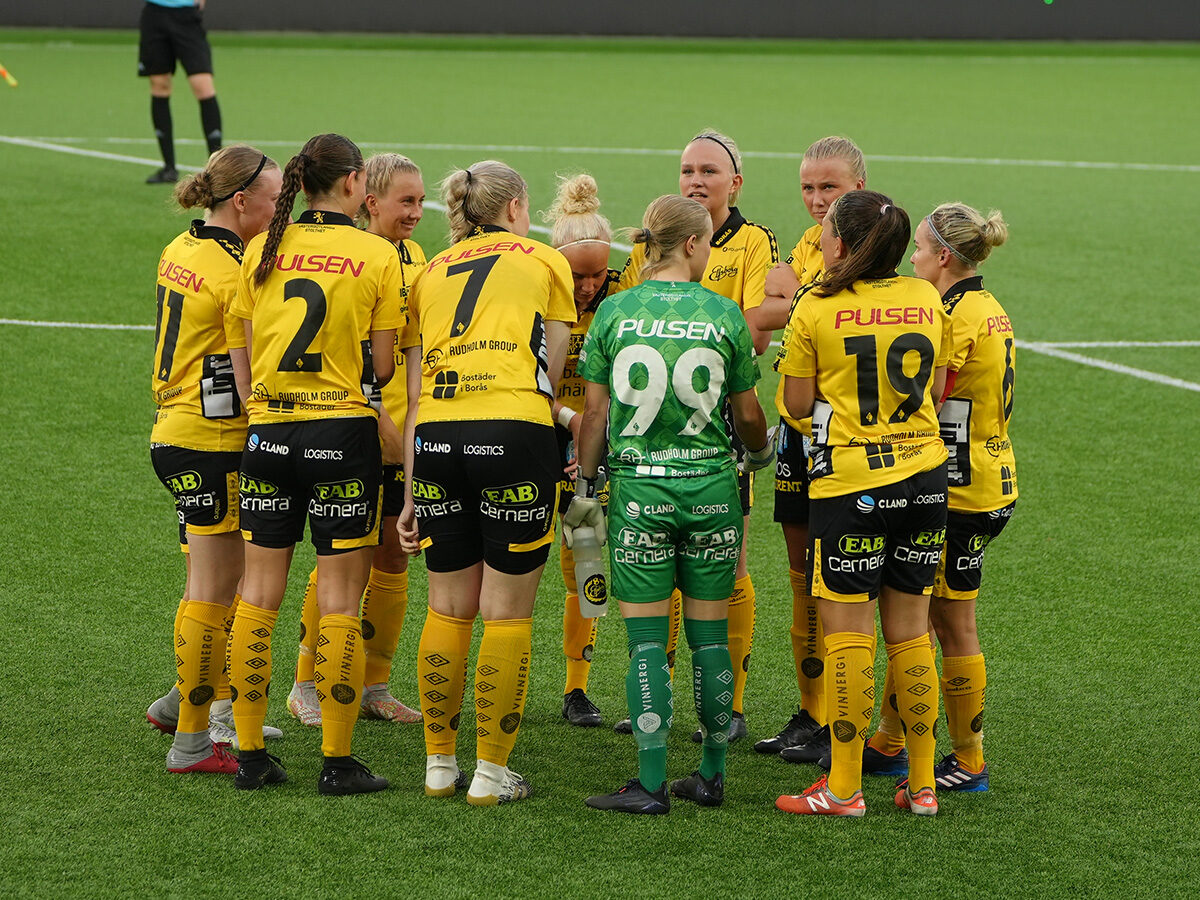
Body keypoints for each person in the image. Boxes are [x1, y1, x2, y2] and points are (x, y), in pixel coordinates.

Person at [571, 195, 772, 814]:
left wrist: (585, 485)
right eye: (707, 242)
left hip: (642, 494)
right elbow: (747, 413)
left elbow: (595, 416)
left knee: (646, 643)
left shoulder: (615, 311)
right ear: (690, 244)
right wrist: (758, 453)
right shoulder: (723, 313)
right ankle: (711, 775)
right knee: (710, 640)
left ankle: (652, 784)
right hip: (712, 491)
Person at [227, 133, 404, 795]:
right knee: (339, 602)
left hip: (269, 435)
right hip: (341, 436)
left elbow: (245, 347)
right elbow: (382, 366)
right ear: (355, 183)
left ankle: (249, 755)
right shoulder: (376, 253)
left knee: (257, 597)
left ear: (301, 183)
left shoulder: (261, 248)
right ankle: (336, 760)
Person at [398, 160, 574, 805]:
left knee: (447, 607)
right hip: (513, 433)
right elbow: (550, 372)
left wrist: (411, 491)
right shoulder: (546, 260)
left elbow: (414, 391)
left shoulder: (430, 271)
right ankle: (491, 775)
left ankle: (438, 766)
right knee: (506, 612)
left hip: (436, 439)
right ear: (517, 206)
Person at [773, 189, 951, 817]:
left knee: (848, 635)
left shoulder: (816, 305)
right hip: (926, 480)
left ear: (843, 243)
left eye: (826, 231)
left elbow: (796, 404)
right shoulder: (926, 297)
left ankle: (844, 788)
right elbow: (937, 385)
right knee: (911, 633)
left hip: (851, 487)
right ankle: (923, 785)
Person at [615, 129, 778, 741]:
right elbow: (625, 312)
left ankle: (729, 708)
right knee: (656, 567)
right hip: (651, 423)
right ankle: (654, 697)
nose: (695, 180)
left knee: (727, 566)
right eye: (687, 170)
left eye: (709, 171)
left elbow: (756, 332)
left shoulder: (755, 241)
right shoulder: (657, 234)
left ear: (735, 182)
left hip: (716, 422)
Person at [750, 138, 894, 774]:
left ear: (858, 186)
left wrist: (793, 298)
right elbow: (770, 312)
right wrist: (788, 301)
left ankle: (852, 721)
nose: (815, 199)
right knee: (802, 571)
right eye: (807, 187)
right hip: (796, 431)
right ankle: (811, 711)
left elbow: (792, 308)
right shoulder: (812, 242)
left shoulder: (877, 248)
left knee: (853, 585)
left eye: (828, 187)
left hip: (849, 441)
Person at [863, 202, 1016, 793]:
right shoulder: (987, 306)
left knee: (949, 624)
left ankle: (970, 760)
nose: (912, 259)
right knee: (917, 619)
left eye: (921, 249)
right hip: (987, 475)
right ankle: (890, 742)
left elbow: (928, 396)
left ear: (945, 258)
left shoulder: (953, 314)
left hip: (960, 488)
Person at [145, 144, 281, 773]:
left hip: (174, 431)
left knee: (210, 582)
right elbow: (248, 378)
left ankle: (182, 702)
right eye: (276, 201)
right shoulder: (235, 273)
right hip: (213, 442)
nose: (281, 213)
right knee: (215, 589)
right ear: (242, 201)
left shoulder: (182, 246)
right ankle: (193, 742)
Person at [287, 152, 428, 727]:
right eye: (406, 201)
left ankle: (374, 685)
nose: (416, 212)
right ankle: (306, 683)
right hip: (355, 427)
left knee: (393, 554)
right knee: (343, 559)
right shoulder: (354, 256)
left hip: (402, 433)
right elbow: (352, 358)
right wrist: (381, 422)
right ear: (370, 201)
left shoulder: (414, 257)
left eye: (421, 201)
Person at [542, 173, 622, 728]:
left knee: (585, 560)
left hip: (590, 446)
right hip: (540, 437)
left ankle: (577, 689)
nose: (589, 285)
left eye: (598, 274)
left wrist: (591, 437)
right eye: (577, 275)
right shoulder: (534, 296)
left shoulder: (621, 301)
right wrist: (569, 421)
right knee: (514, 566)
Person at [138, 0, 223, 184]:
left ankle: (218, 170)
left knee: (203, 86)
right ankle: (169, 168)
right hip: (154, 14)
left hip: (186, 16)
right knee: (159, 84)